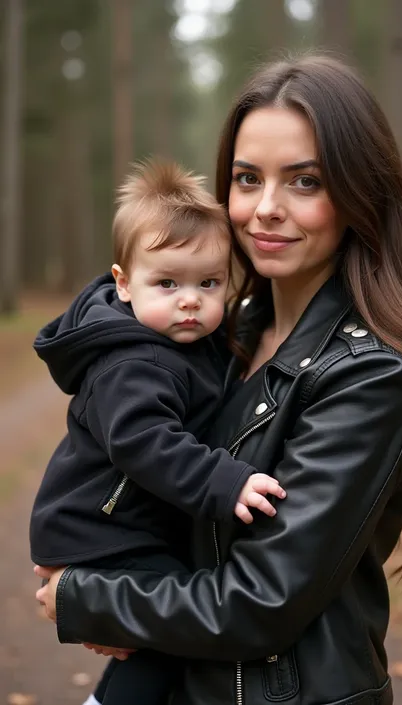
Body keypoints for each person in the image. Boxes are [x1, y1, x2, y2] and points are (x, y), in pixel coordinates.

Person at [36, 55, 402, 705]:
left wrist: (87, 595)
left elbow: (258, 602)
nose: (265, 208)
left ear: (360, 193)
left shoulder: (370, 378)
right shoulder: (222, 332)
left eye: (304, 181)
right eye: (247, 178)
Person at [29, 158, 286, 705]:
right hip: (102, 531)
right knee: (173, 633)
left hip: (126, 527)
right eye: (167, 282)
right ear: (123, 284)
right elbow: (144, 442)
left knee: (156, 640)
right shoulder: (134, 363)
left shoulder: (186, 342)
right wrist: (224, 481)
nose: (189, 299)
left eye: (208, 283)